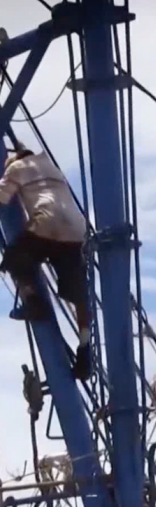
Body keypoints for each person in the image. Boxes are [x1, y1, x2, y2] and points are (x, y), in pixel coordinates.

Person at [0, 148, 92, 380]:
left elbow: (2, 197)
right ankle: (85, 348)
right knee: (79, 295)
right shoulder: (52, 168)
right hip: (77, 230)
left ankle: (34, 301)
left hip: (47, 222)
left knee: (15, 258)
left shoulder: (16, 167)